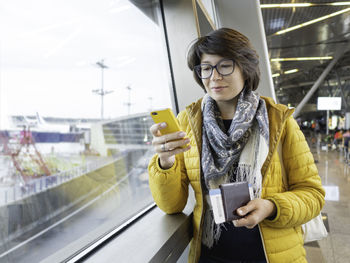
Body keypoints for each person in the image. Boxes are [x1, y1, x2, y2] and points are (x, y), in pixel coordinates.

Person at [148, 28, 325, 263]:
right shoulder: (188, 123)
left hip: (270, 256)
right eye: (207, 68)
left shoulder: (278, 121)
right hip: (211, 254)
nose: (214, 76)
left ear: (245, 68)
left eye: (225, 65)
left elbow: (312, 195)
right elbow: (171, 206)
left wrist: (271, 207)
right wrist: (165, 161)